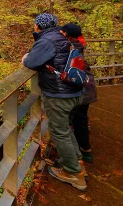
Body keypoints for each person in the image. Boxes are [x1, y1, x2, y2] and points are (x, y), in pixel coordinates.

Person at [22, 13, 87, 191]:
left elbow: (32, 62)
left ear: (38, 26)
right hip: (76, 91)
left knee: (59, 131)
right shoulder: (63, 36)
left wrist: (26, 58)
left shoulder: (47, 41)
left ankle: (74, 174)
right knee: (65, 127)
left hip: (60, 94)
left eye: (35, 24)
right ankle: (78, 162)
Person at [61, 23, 97, 163]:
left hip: (79, 89)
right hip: (87, 86)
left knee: (72, 119)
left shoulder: (66, 48)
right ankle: (85, 150)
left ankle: (76, 156)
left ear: (66, 34)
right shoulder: (79, 47)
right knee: (80, 118)